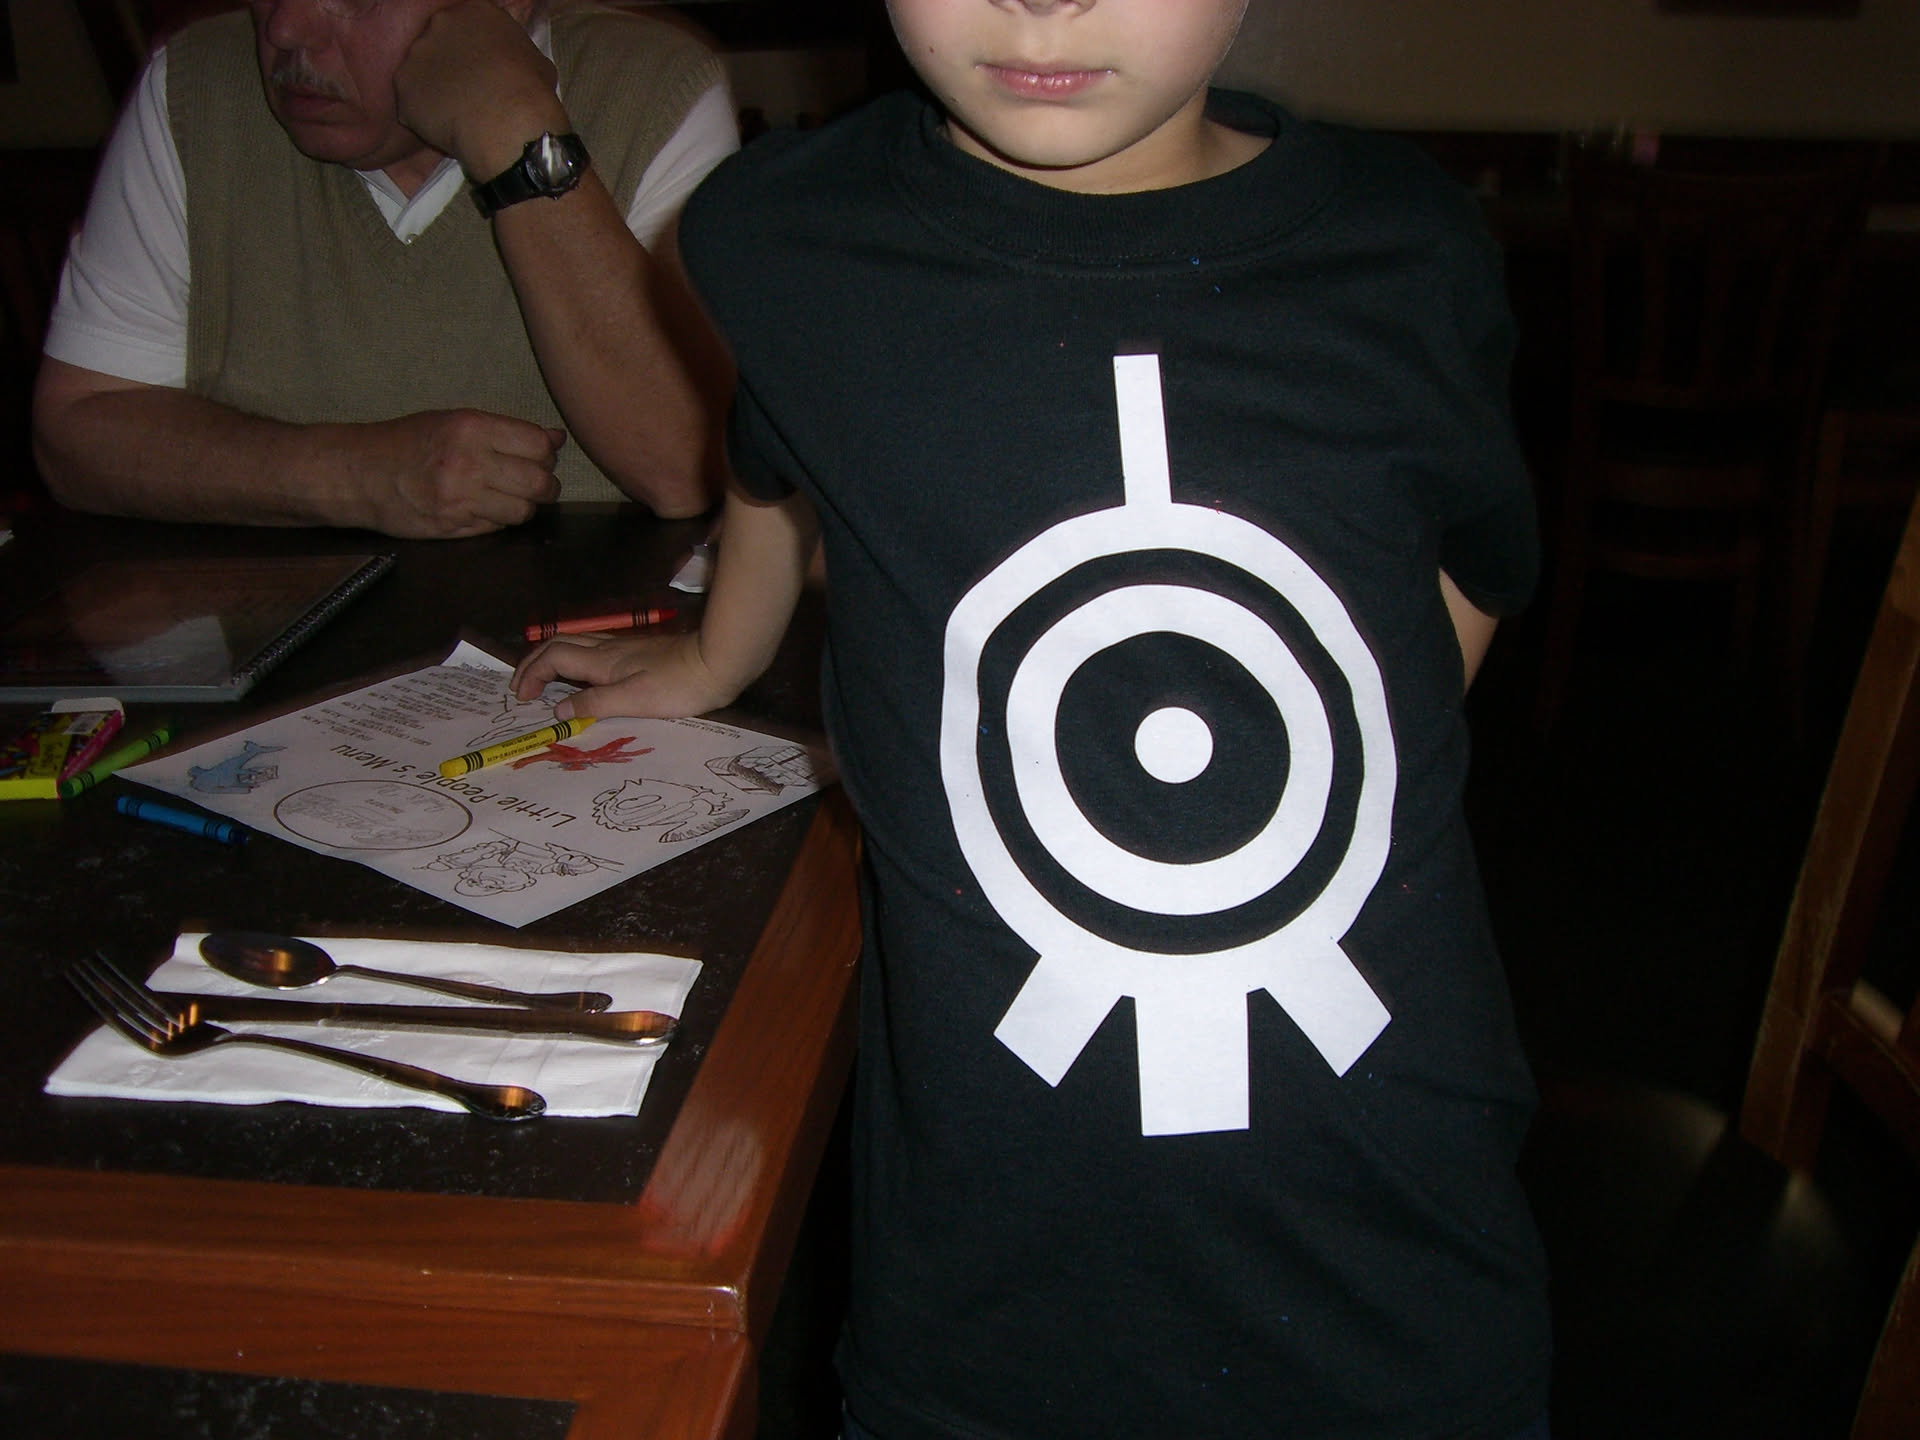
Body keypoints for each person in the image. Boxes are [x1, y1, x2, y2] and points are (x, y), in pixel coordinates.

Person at [515, 1, 1552, 1435]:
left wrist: (1270, 800)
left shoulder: (1406, 249)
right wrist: (713, 654)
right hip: (983, 1295)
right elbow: (775, 448)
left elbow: (1466, 576)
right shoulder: (784, 238)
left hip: (1388, 1268)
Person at [33, 0, 734, 538]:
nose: (287, 28)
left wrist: (513, 128)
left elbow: (684, 469)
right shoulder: (195, 89)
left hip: (585, 644)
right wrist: (353, 475)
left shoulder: (651, 89)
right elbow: (75, 434)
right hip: (284, 655)